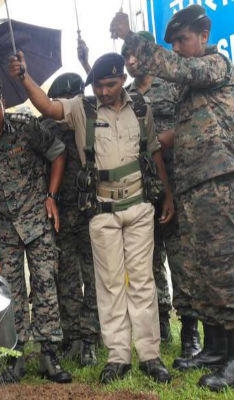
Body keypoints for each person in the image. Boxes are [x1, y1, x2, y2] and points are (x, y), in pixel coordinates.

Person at [12, 51, 175, 384]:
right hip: (102, 211)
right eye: (98, 85)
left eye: (110, 84)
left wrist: (167, 194)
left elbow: (153, 151)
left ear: (123, 81)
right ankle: (118, 357)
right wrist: (24, 77)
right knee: (110, 284)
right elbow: (48, 107)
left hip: (138, 206)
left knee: (142, 282)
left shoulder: (141, 107)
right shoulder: (81, 108)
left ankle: (150, 355)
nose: (103, 91)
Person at [111, 4, 234, 391]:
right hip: (193, 184)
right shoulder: (191, 86)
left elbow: (178, 68)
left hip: (219, 182)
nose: (177, 48)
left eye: (182, 40)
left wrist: (130, 38)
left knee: (226, 270)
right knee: (204, 271)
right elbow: (197, 125)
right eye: (174, 42)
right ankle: (216, 348)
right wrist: (164, 139)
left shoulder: (215, 65)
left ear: (203, 36)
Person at [0, 79, 71, 383]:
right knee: (9, 291)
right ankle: (15, 355)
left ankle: (49, 355)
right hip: (3, 228)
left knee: (45, 284)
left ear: (3, 105)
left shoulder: (26, 127)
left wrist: (51, 196)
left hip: (37, 219)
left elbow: (58, 153)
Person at [121, 31, 180, 345]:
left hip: (178, 179)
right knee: (151, 257)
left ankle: (190, 322)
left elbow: (189, 122)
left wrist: (168, 138)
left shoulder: (171, 85)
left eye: (136, 54)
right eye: (126, 57)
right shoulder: (126, 97)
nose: (131, 61)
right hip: (144, 188)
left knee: (181, 254)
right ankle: (162, 320)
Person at [44, 73, 100, 367]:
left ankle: (90, 338)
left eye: (73, 98)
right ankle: (73, 336)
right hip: (61, 216)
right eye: (62, 100)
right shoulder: (46, 129)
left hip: (91, 211)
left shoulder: (94, 122)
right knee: (66, 278)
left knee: (94, 277)